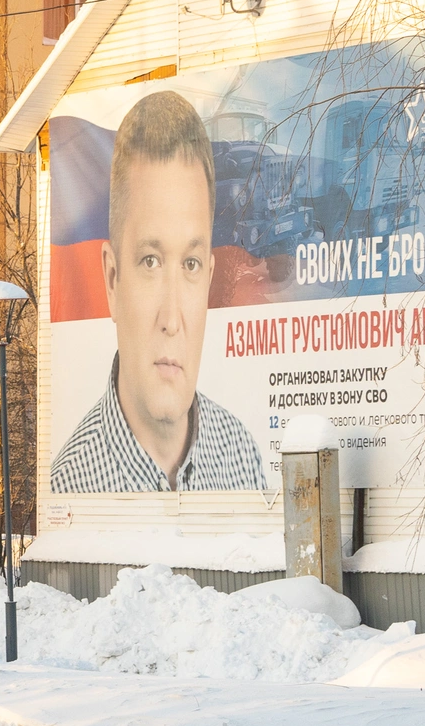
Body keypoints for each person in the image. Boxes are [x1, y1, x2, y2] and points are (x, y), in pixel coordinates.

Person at [49, 90, 267, 493]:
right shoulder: (69, 487)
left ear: (208, 281)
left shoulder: (243, 457)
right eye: (150, 261)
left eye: (190, 264)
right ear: (112, 279)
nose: (171, 320)